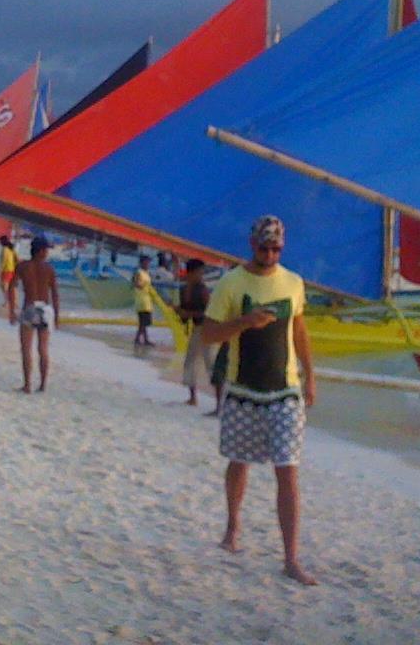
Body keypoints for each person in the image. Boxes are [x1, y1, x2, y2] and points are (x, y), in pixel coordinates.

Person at [200, 215, 317, 586]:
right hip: (243, 391)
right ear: (252, 245)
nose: (270, 254)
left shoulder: (293, 283)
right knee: (240, 462)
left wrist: (311, 376)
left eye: (276, 248)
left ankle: (291, 558)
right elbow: (208, 334)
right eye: (264, 247)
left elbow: (299, 330)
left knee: (288, 471)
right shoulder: (232, 283)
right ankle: (233, 525)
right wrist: (245, 322)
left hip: (285, 391)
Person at [15, 237, 59, 393]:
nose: (47, 252)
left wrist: (12, 309)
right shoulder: (49, 269)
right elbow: (54, 294)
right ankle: (43, 384)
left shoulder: (23, 266)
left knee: (26, 348)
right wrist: (57, 317)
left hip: (30, 307)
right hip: (45, 309)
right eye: (46, 250)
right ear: (41, 251)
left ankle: (27, 384)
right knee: (43, 349)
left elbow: (11, 287)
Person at [177, 258, 213, 407]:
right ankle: (193, 398)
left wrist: (188, 314)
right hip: (197, 328)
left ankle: (219, 402)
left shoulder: (202, 290)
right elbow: (185, 312)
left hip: (207, 328)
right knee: (191, 362)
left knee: (210, 364)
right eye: (199, 272)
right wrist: (180, 313)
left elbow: (209, 313)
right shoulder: (184, 289)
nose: (201, 275)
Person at [131, 254, 156, 348]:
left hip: (147, 299)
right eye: (146, 262)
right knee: (143, 321)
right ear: (142, 262)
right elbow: (136, 284)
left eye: (149, 262)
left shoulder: (147, 273)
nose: (148, 264)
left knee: (144, 321)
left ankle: (143, 339)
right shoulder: (139, 272)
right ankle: (138, 339)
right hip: (141, 300)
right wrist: (142, 285)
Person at [0, 234, 19, 324]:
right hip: (12, 269)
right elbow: (17, 259)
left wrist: (0, 270)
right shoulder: (12, 249)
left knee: (4, 286)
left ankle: (7, 301)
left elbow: (4, 261)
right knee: (12, 287)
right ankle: (14, 301)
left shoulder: (5, 249)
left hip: (6, 270)